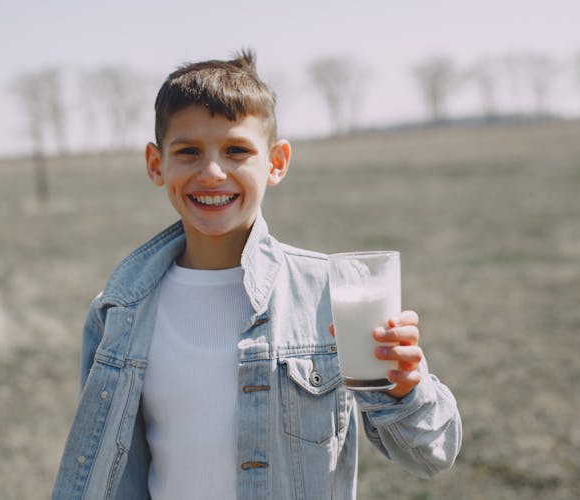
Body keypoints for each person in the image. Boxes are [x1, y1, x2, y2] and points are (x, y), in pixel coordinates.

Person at [51, 50, 462, 500]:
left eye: (236, 151)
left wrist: (405, 387)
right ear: (155, 164)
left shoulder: (329, 294)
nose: (211, 172)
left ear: (276, 162)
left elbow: (428, 455)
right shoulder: (118, 312)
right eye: (188, 151)